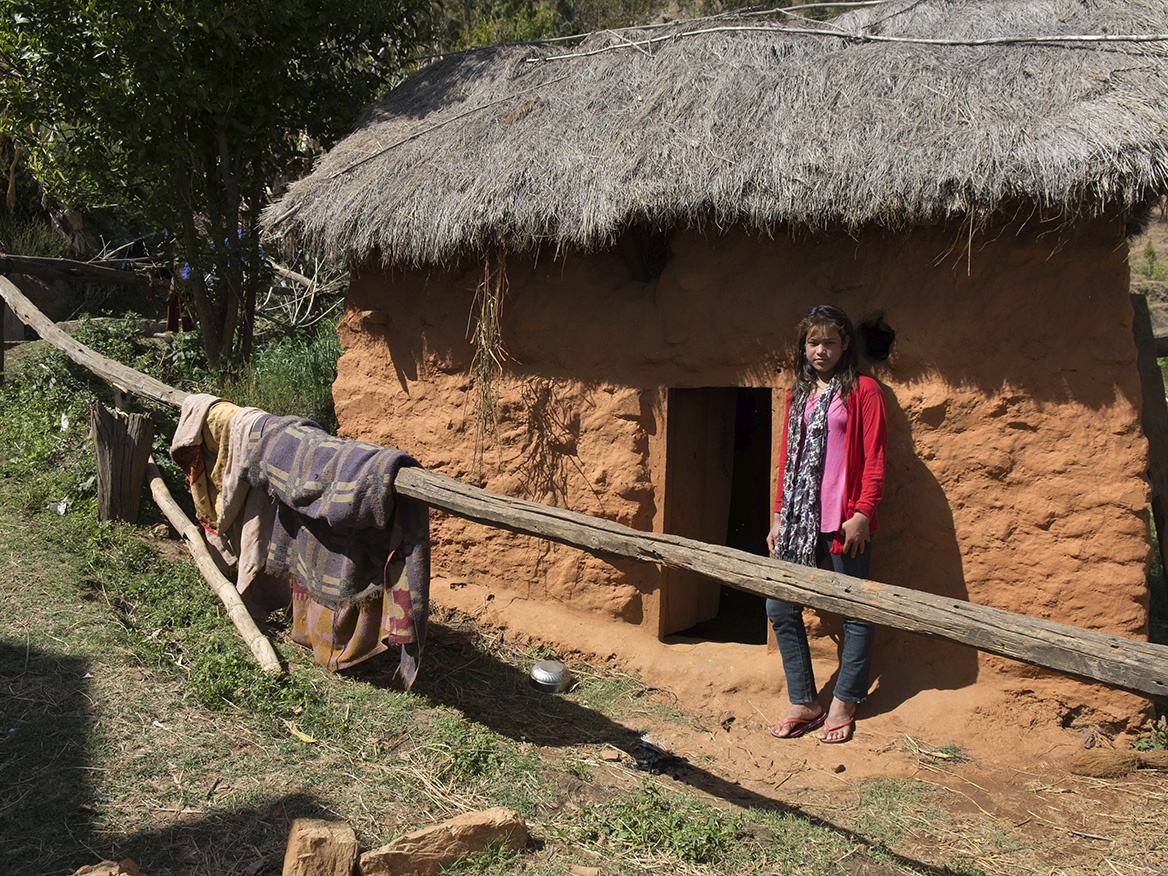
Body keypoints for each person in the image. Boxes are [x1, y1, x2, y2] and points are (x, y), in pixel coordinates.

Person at [765, 304, 886, 744]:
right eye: (813, 342)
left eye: (829, 342)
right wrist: (779, 515)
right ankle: (805, 700)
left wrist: (863, 514)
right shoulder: (799, 394)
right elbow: (787, 460)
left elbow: (874, 459)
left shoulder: (863, 391)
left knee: (855, 611)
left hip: (842, 521)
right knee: (779, 605)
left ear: (845, 344)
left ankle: (845, 699)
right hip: (798, 522)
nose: (820, 350)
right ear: (804, 346)